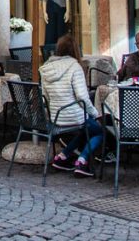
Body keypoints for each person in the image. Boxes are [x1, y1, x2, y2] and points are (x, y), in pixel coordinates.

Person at [43, 35, 101, 177]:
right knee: (99, 131)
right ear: (75, 49)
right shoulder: (75, 67)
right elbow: (82, 97)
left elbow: (45, 97)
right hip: (74, 116)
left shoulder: (46, 68)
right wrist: (95, 113)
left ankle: (63, 156)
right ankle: (83, 160)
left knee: (85, 129)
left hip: (56, 118)